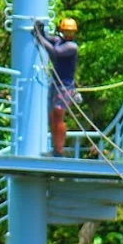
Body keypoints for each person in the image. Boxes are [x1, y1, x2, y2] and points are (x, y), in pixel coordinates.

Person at [33, 16, 78, 156]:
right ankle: (55, 148)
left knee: (58, 114)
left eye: (71, 33)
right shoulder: (59, 41)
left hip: (66, 85)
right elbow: (49, 39)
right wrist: (41, 31)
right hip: (56, 84)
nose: (69, 35)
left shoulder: (72, 46)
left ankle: (59, 149)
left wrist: (39, 37)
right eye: (66, 32)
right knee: (53, 116)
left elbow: (55, 52)